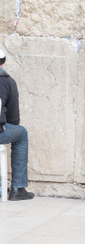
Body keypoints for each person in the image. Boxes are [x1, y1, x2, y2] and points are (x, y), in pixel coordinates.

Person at [0, 49, 34, 201]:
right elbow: (13, 118)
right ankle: (18, 188)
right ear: (3, 62)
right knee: (21, 133)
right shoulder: (8, 81)